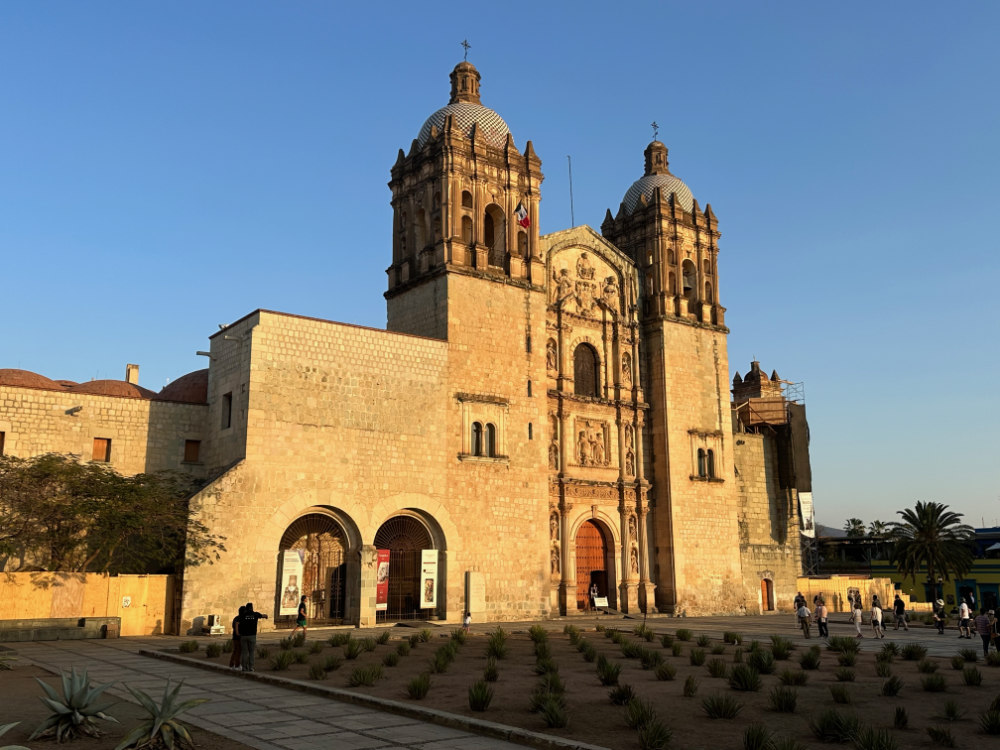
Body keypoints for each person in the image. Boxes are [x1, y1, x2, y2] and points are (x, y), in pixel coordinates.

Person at [239, 601, 268, 672]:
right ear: (252, 608)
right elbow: (264, 616)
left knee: (244, 652)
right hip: (252, 636)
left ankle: (244, 667)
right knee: (251, 652)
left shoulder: (242, 615)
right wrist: (266, 616)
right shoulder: (255, 614)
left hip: (243, 636)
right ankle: (251, 667)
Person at [229, 605, 245, 670]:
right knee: (238, 651)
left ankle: (231, 664)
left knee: (235, 651)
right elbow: (236, 627)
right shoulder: (241, 619)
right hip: (238, 637)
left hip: (234, 637)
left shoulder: (236, 618)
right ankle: (237, 665)